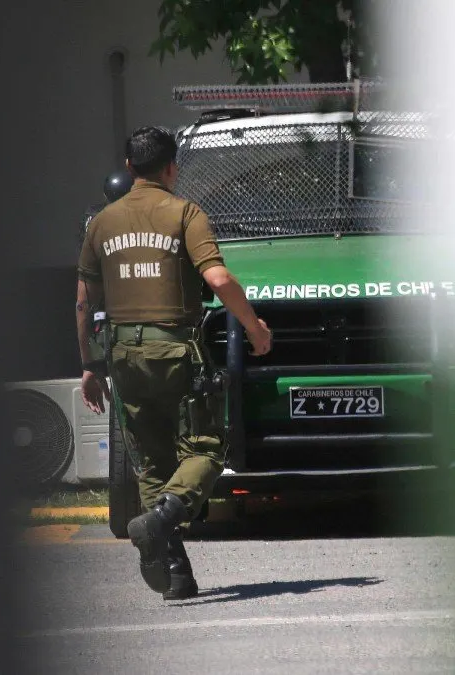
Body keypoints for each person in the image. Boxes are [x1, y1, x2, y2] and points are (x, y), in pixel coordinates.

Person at [75, 126, 272, 600]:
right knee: (205, 449)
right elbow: (219, 278)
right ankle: (161, 519)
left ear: (128, 168)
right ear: (170, 167)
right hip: (176, 350)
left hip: (122, 353)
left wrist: (90, 365)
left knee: (151, 461)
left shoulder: (100, 224)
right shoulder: (185, 213)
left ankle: (176, 574)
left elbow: (84, 302)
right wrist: (253, 327)